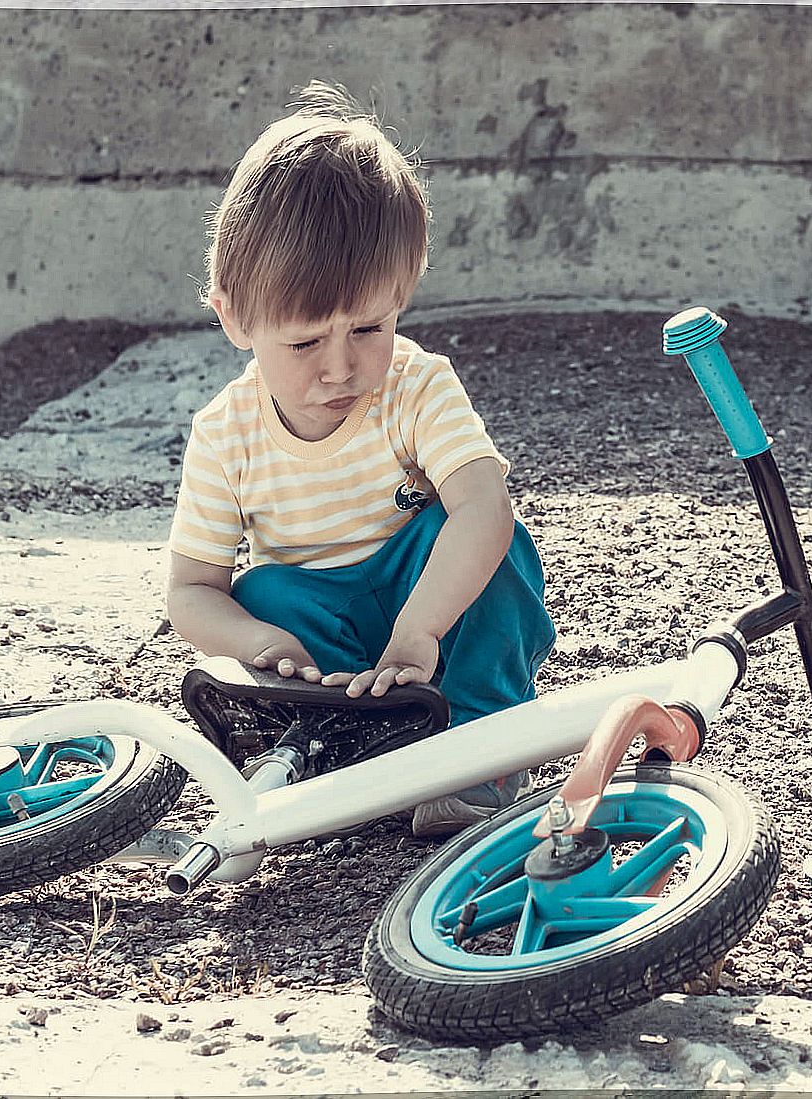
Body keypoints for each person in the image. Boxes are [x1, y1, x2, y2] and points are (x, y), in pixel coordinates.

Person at [166, 82, 556, 837]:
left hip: (434, 610)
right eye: (306, 341)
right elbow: (191, 590)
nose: (340, 368)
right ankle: (342, 730)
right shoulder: (225, 434)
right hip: (331, 635)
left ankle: (482, 747)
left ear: (404, 296)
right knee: (266, 591)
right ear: (234, 319)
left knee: (489, 535)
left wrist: (420, 625)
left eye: (369, 328)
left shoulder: (416, 385)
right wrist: (258, 642)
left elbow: (482, 506)